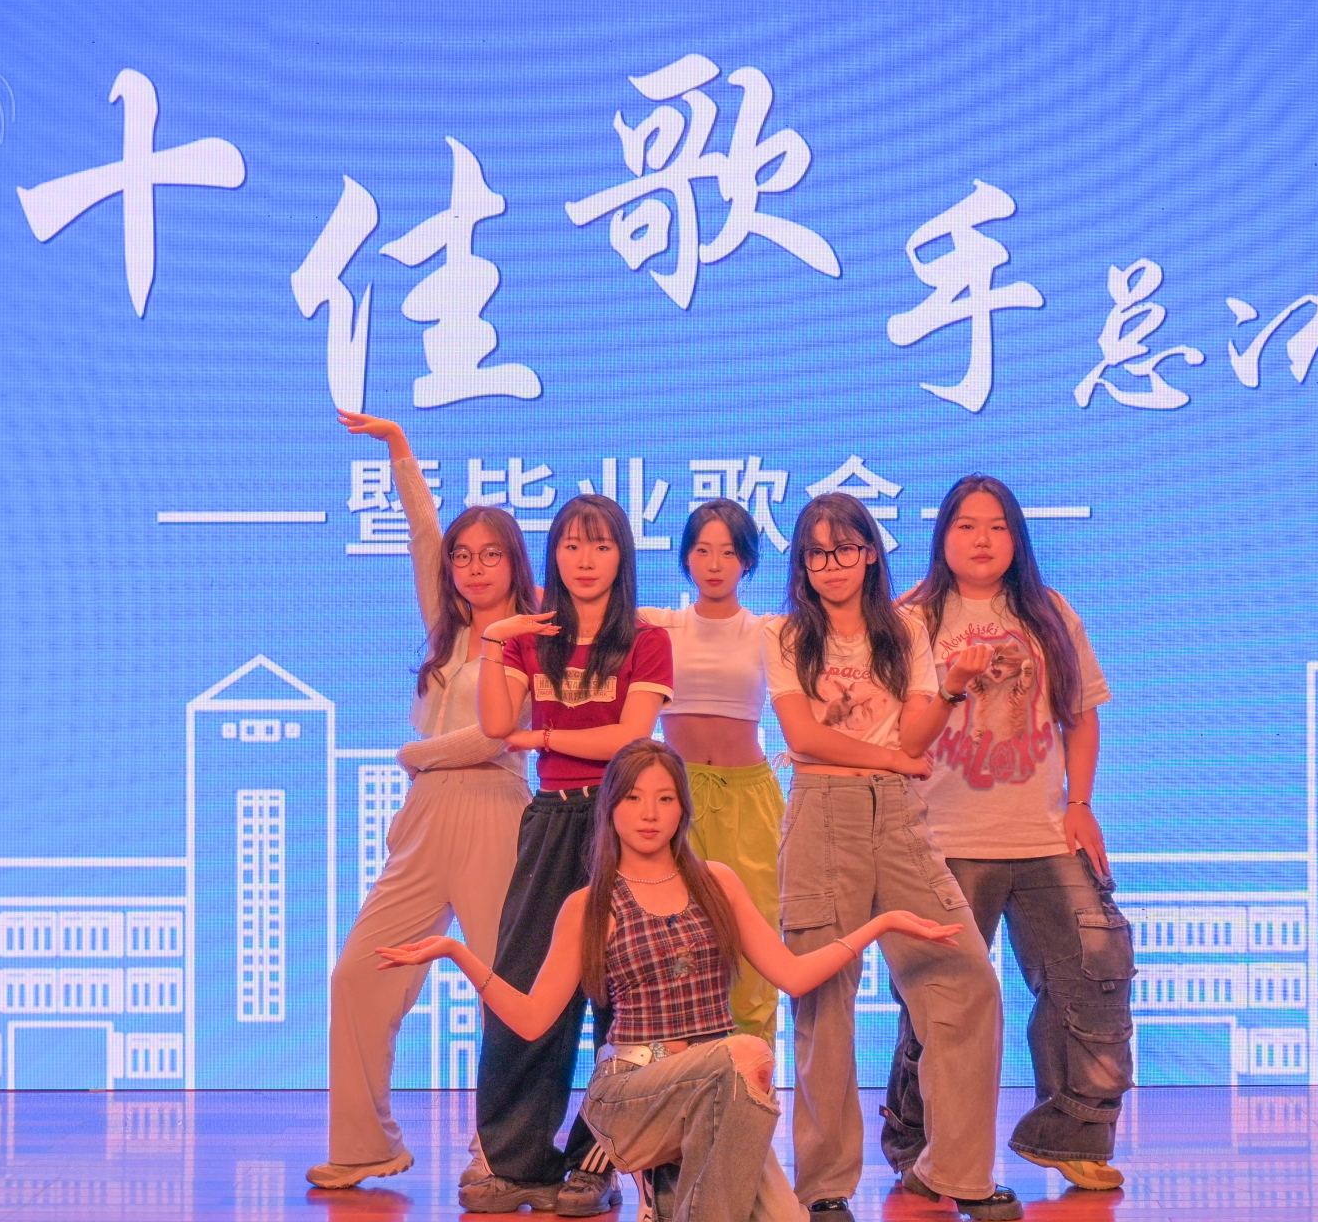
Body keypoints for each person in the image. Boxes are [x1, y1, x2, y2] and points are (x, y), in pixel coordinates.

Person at [375, 739, 967, 1222]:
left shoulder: (717, 882)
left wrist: (881, 923)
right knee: (746, 1053)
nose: (649, 813)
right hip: (632, 1091)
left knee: (783, 1213)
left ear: (683, 809)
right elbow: (532, 1021)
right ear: (610, 809)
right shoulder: (589, 904)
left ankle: (670, 1202)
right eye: (633, 798)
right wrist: (456, 952)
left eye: (664, 798)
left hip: (718, 1088)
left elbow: (792, 976)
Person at [766, 492, 1021, 1222]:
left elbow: (913, 739)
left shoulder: (905, 629)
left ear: (871, 554)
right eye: (817, 553)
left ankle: (960, 1171)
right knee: (823, 1004)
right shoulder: (785, 635)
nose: (832, 564)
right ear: (802, 565)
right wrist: (889, 759)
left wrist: (952, 688)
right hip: (821, 816)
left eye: (846, 548)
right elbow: (804, 740)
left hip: (901, 819)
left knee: (966, 980)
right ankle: (824, 1186)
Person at [880, 474, 1131, 1193]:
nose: (982, 539)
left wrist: (1080, 802)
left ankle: (1070, 1135)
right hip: (942, 839)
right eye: (965, 525)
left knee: (1096, 973)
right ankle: (923, 1150)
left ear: (1016, 537)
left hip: (1044, 835)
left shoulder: (1049, 613)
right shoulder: (910, 618)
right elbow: (890, 727)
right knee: (936, 1003)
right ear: (943, 537)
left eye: (996, 526)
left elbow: (1081, 715)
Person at [308, 411, 539, 1190]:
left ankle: (501, 1147)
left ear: (514, 563)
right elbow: (421, 533)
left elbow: (496, 738)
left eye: (490, 555)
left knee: (502, 984)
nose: (474, 568)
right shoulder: (446, 629)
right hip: (423, 820)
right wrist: (400, 449)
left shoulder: (529, 635)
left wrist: (415, 753)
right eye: (464, 557)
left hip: (495, 811)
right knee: (358, 973)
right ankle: (364, 1144)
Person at [468, 493, 674, 1215]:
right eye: (572, 545)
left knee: (624, 997)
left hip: (624, 823)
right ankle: (517, 1161)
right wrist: (495, 640)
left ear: (623, 557)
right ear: (553, 555)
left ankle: (598, 1161)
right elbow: (496, 722)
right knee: (527, 982)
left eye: (602, 545)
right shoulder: (531, 638)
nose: (586, 561)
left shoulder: (646, 637)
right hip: (553, 817)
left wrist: (546, 737)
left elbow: (629, 738)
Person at [639, 499, 784, 1044]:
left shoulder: (769, 630)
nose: (715, 564)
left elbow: (855, 623)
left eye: (728, 551)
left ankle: (754, 1078)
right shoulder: (661, 624)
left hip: (749, 798)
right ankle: (678, 1076)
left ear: (747, 560)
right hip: (673, 798)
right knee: (671, 939)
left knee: (754, 940)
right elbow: (573, 603)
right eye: (702, 550)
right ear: (686, 559)